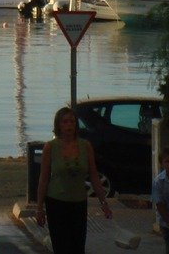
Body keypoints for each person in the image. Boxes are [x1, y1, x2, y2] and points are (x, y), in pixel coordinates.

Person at [35, 106, 112, 254]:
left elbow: (94, 177)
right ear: (58, 125)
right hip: (56, 202)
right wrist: (39, 208)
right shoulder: (50, 147)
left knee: (77, 246)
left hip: (78, 203)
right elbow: (43, 179)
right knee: (61, 246)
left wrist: (104, 203)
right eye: (64, 122)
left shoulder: (85, 146)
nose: (69, 125)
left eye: (71, 121)